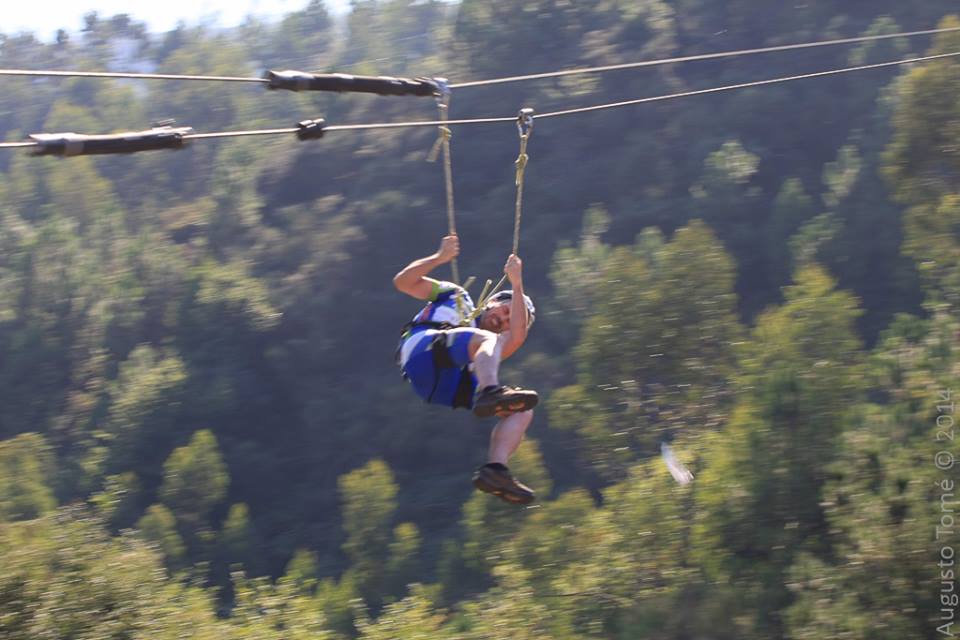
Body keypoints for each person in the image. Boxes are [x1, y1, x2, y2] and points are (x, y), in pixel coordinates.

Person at [393, 234, 539, 504]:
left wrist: (517, 284)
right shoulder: (456, 296)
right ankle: (490, 393)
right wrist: (439, 258)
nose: (503, 320)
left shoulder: (492, 350)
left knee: (523, 410)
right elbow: (403, 282)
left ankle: (496, 471)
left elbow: (518, 336)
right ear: (493, 301)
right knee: (485, 340)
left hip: (444, 386)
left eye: (509, 321)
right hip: (422, 352)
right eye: (505, 311)